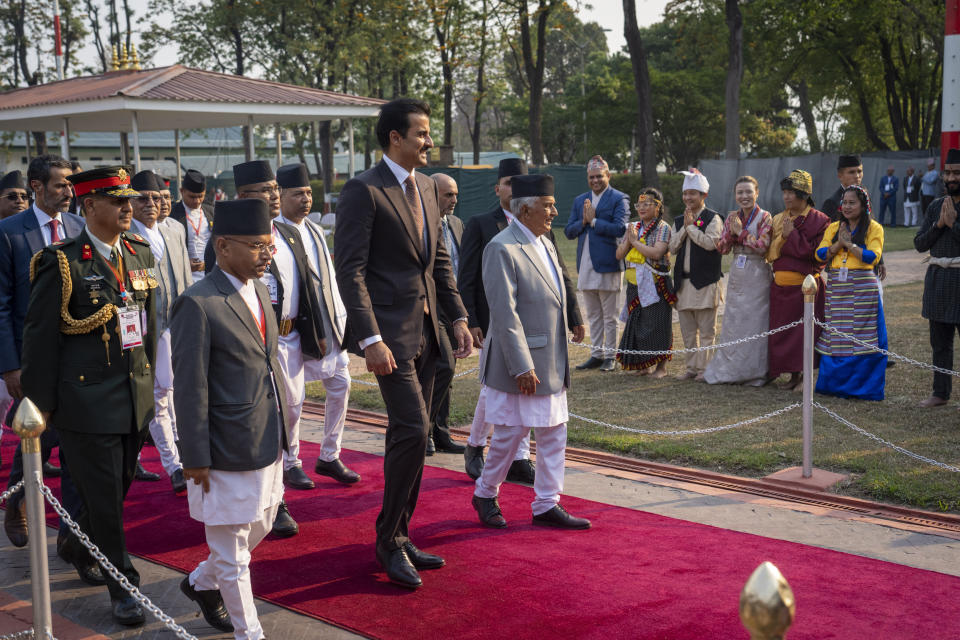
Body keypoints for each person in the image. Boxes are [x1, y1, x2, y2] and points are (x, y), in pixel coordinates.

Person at [334, 98, 472, 590]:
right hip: (389, 339)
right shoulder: (362, 191)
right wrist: (369, 337)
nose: (429, 141)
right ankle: (387, 540)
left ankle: (402, 533)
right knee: (413, 430)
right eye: (421, 133)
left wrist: (456, 316)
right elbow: (349, 271)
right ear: (395, 137)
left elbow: (439, 262)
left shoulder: (431, 188)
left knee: (415, 437)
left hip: (431, 334)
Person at [21, 166, 156, 625]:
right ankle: (124, 587)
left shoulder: (138, 253)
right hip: (85, 403)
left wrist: (151, 385)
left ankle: (75, 540)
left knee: (115, 491)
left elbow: (150, 326)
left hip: (133, 397)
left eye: (128, 200)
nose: (127, 208)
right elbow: (39, 339)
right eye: (116, 201)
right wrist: (42, 408)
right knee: (102, 497)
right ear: (89, 206)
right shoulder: (62, 262)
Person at [172, 198, 285, 639]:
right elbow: (190, 387)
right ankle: (249, 633)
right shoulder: (197, 304)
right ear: (222, 246)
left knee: (264, 521)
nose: (266, 255)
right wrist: (194, 455)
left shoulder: (258, 291)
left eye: (269, 246)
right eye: (257, 246)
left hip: (265, 438)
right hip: (222, 448)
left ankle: (201, 582)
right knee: (234, 550)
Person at [471, 173, 589, 530]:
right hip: (519, 364)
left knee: (554, 431)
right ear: (525, 209)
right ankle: (485, 492)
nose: (554, 212)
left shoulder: (546, 242)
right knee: (510, 435)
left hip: (551, 360)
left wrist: (572, 317)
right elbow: (504, 314)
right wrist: (521, 365)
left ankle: (547, 503)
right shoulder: (501, 248)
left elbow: (557, 291)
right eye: (547, 206)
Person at [225, 160, 329, 538]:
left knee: (293, 411)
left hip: (290, 338)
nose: (272, 196)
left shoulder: (286, 233)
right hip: (254, 345)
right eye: (262, 191)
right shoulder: (230, 237)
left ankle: (279, 482)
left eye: (273, 189)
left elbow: (304, 283)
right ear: (242, 197)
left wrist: (315, 331)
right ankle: (275, 500)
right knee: (270, 422)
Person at [0, 155, 90, 576]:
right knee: (39, 435)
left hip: (77, 357)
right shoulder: (8, 233)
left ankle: (71, 535)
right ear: (36, 187)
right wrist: (10, 367)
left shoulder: (78, 228)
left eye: (71, 185)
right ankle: (17, 500)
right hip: (30, 359)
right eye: (59, 185)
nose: (68, 192)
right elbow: (1, 307)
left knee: (72, 441)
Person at [275, 163, 358, 484]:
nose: (305, 200)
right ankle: (290, 461)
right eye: (297, 194)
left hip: (327, 325)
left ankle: (329, 455)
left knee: (341, 385)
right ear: (280, 195)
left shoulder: (313, 229)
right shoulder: (273, 233)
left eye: (308, 193)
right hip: (291, 331)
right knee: (293, 405)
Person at [130, 171, 193, 493]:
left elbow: (184, 277)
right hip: (143, 331)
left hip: (177, 325)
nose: (151, 204)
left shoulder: (175, 229)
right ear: (129, 200)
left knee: (177, 392)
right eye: (142, 198)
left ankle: (175, 455)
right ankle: (174, 466)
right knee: (157, 397)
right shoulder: (124, 234)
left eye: (156, 198)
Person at [815, 185, 887, 400]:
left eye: (852, 202)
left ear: (863, 206)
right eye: (844, 202)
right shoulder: (834, 227)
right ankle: (833, 385)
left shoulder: (874, 228)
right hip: (837, 285)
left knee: (863, 337)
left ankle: (863, 388)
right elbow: (819, 255)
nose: (846, 206)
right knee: (837, 335)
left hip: (863, 286)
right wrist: (839, 244)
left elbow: (871, 257)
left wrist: (850, 244)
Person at [704, 176, 773, 386]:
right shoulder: (732, 217)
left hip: (757, 272)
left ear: (757, 193)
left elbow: (763, 246)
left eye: (748, 192)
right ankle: (732, 369)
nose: (744, 196)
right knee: (735, 321)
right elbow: (722, 248)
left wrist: (740, 233)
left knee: (755, 322)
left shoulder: (765, 217)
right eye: (740, 192)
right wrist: (731, 236)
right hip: (738, 269)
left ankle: (756, 372)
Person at [766, 169, 830, 391]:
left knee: (805, 334)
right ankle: (792, 377)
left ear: (804, 194)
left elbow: (815, 255)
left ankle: (805, 377)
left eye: (791, 192)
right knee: (783, 333)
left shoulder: (820, 220)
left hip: (806, 289)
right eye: (784, 192)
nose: (786, 197)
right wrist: (784, 237)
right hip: (780, 287)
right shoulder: (777, 219)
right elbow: (772, 254)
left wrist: (792, 235)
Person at [564, 156, 629, 372]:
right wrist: (583, 221)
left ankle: (610, 355)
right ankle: (596, 354)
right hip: (585, 263)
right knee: (592, 314)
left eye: (599, 176)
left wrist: (593, 221)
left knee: (610, 315)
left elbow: (620, 228)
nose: (595, 181)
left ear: (608, 176)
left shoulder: (619, 198)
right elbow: (569, 231)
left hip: (609, 263)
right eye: (591, 177)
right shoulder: (579, 200)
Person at [913, 148, 960, 408]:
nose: (951, 178)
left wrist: (954, 225)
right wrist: (940, 224)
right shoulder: (934, 206)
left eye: (957, 173)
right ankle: (940, 393)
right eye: (948, 173)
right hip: (938, 282)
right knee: (940, 344)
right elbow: (920, 243)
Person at [669, 168, 724, 381]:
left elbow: (712, 244)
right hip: (684, 282)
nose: (688, 197)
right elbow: (672, 247)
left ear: (704, 196)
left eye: (693, 193)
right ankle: (691, 368)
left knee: (707, 331)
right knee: (688, 331)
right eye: (686, 193)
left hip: (706, 282)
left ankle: (706, 369)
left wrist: (691, 229)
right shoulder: (678, 220)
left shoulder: (713, 218)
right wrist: (685, 228)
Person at [426, 172, 467, 455]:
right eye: (447, 194)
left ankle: (441, 433)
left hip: (454, 307)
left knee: (447, 374)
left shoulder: (456, 224)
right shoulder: (422, 224)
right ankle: (424, 430)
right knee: (442, 367)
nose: (453, 200)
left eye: (455, 194)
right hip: (429, 307)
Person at [614, 188, 674, 377]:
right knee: (637, 322)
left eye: (647, 204)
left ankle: (661, 368)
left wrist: (635, 243)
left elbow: (656, 253)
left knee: (658, 323)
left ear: (658, 207)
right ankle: (643, 365)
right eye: (639, 204)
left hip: (656, 281)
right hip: (635, 283)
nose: (642, 208)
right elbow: (619, 254)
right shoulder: (633, 226)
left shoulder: (663, 227)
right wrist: (628, 241)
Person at [170, 169, 213, 281]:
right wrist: (183, 263)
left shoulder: (212, 212)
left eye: (201, 196)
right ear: (181, 191)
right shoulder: (172, 214)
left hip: (210, 274)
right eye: (192, 197)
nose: (197, 201)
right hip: (183, 276)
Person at [821, 154, 863, 222]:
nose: (857, 176)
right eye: (851, 172)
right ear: (840, 175)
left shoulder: (865, 197)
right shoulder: (832, 203)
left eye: (859, 171)